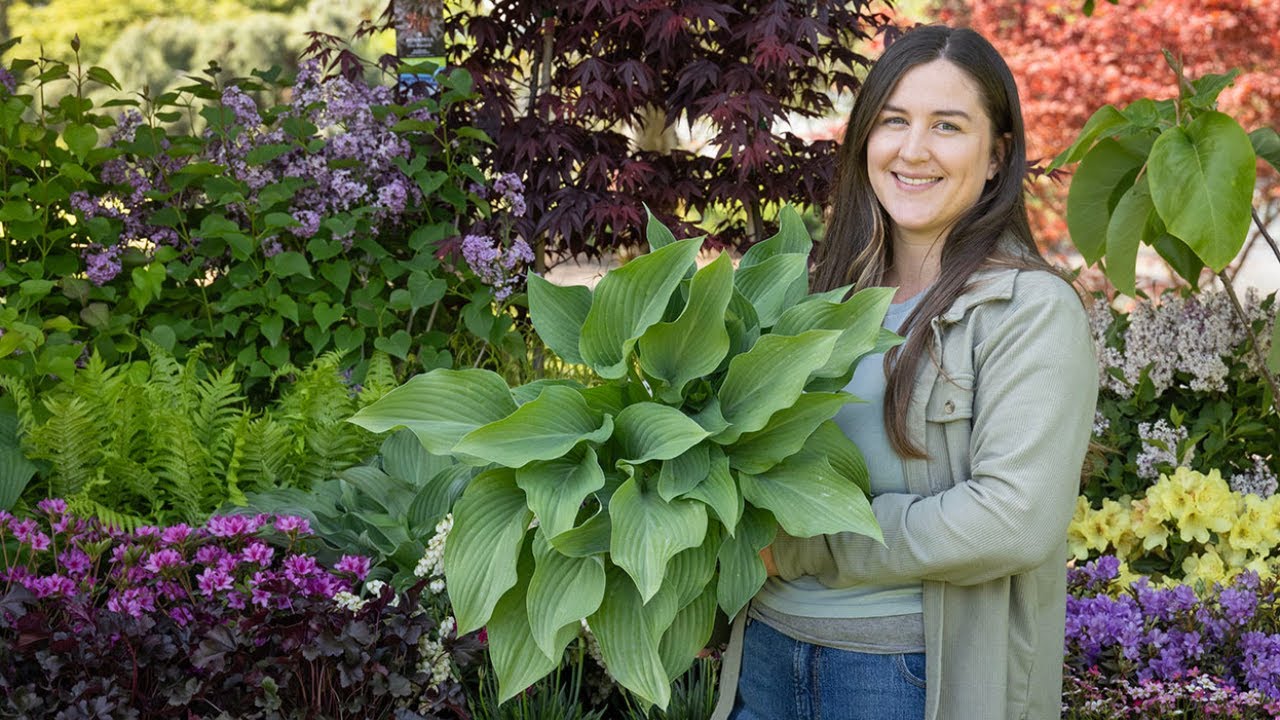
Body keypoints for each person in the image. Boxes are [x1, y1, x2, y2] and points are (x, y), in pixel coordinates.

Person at [711, 25, 1098, 720]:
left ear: (995, 156)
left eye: (947, 125)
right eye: (894, 120)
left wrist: (806, 544)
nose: (913, 149)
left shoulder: (1028, 310)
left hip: (903, 675)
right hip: (764, 657)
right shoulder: (811, 297)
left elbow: (1012, 521)